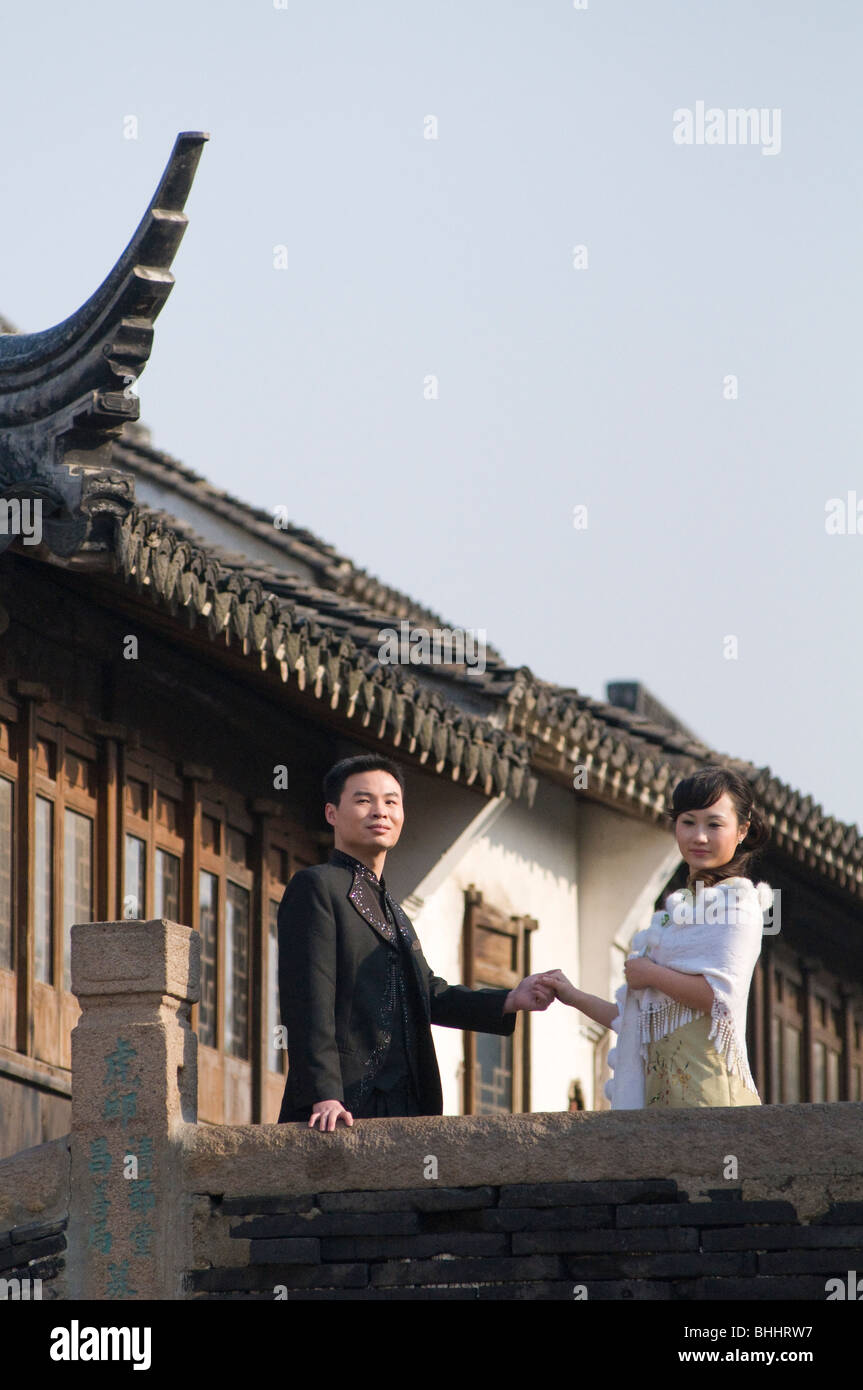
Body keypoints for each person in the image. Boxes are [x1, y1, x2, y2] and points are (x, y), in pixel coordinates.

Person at [277, 754, 559, 1130]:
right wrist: (324, 1094)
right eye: (364, 801)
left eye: (391, 802)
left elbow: (428, 993)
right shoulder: (317, 887)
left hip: (408, 1102)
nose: (381, 812)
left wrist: (509, 999)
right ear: (332, 814)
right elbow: (308, 1000)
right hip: (343, 1105)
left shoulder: (394, 909)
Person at [545, 766, 772, 1109]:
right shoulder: (669, 919)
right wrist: (571, 995)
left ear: (742, 830)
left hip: (713, 1105)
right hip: (659, 1111)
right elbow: (635, 1019)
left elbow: (720, 998)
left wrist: (649, 973)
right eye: (688, 822)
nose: (699, 836)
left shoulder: (739, 906)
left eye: (714, 824)